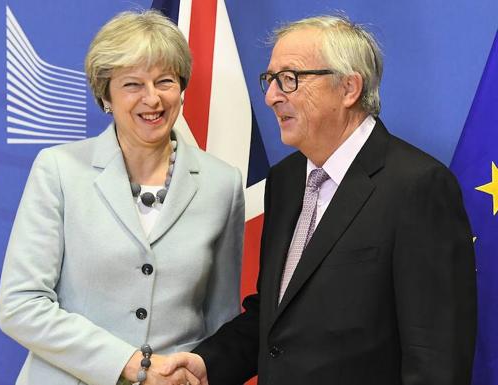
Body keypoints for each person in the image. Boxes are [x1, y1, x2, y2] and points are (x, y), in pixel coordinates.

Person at [162, 15, 477, 385]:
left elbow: (435, 359)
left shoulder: (418, 187)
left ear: (349, 88)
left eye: (289, 79)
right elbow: (276, 316)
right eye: (270, 80)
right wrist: (209, 364)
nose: (270, 96)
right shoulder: (285, 181)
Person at [0, 10, 244, 385]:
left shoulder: (222, 184)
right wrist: (132, 365)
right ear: (105, 94)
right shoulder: (59, 170)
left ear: (181, 88)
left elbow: (219, 321)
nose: (152, 99)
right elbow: (20, 305)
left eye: (165, 81)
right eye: (132, 84)